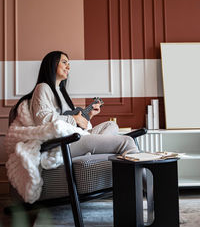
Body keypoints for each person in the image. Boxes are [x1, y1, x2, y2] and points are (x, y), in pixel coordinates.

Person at [10, 51, 138, 157]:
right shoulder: (43, 87)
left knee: (111, 125)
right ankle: (147, 187)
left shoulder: (62, 93)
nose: (68, 67)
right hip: (64, 143)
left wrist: (89, 116)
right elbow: (42, 120)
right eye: (64, 62)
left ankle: (93, 150)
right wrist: (73, 119)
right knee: (127, 142)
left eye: (69, 64)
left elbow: (76, 123)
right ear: (52, 64)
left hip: (76, 136)